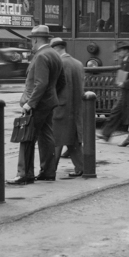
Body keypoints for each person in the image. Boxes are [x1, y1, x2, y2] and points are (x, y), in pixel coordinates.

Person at [7, 25, 66, 185]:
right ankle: (48, 171)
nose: (30, 44)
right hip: (48, 103)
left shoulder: (41, 56)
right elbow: (61, 82)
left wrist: (30, 104)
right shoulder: (54, 54)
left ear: (35, 40)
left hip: (37, 104)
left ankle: (24, 174)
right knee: (46, 136)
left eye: (31, 40)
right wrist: (51, 96)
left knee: (26, 137)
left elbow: (40, 83)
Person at [50, 37, 85, 178]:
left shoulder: (59, 63)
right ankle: (82, 167)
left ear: (55, 49)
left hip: (61, 107)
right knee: (73, 139)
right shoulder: (78, 64)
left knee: (56, 139)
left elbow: (55, 86)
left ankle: (50, 169)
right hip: (76, 106)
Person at [97, 41, 129, 141]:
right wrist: (119, 82)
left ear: (126, 51)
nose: (118, 53)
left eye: (120, 51)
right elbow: (122, 77)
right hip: (125, 93)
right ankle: (106, 134)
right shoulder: (124, 61)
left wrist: (124, 83)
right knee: (116, 112)